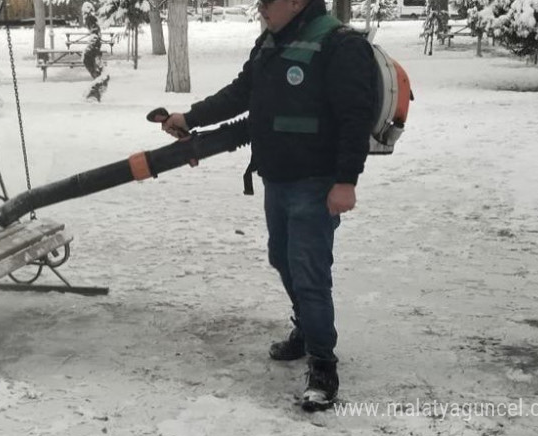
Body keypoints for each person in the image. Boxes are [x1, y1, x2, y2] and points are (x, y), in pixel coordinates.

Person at [161, 0, 377, 412]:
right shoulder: (270, 43)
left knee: (310, 271)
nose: (260, 8)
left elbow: (355, 119)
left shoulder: (340, 44)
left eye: (267, 2)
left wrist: (346, 182)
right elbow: (242, 93)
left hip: (316, 183)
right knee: (282, 258)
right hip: (277, 178)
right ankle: (307, 331)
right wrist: (190, 117)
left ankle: (323, 365)